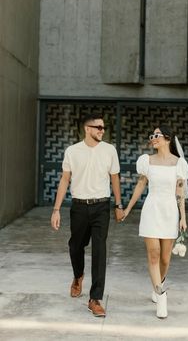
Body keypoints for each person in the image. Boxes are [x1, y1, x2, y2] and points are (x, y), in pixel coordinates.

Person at [51, 113, 124, 317]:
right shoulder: (72, 151)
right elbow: (65, 180)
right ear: (87, 129)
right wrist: (56, 210)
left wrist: (118, 205)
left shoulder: (109, 150)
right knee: (76, 245)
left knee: (100, 250)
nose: (102, 130)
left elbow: (115, 178)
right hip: (79, 207)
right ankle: (78, 276)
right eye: (98, 127)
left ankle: (95, 299)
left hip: (102, 206)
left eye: (103, 127)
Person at [123, 125, 188, 319]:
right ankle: (161, 295)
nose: (153, 138)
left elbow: (179, 193)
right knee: (154, 254)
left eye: (157, 135)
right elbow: (140, 185)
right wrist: (127, 208)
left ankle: (157, 285)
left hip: (169, 212)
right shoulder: (147, 161)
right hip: (151, 210)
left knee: (165, 259)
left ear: (167, 138)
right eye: (152, 135)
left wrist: (183, 217)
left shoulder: (179, 164)